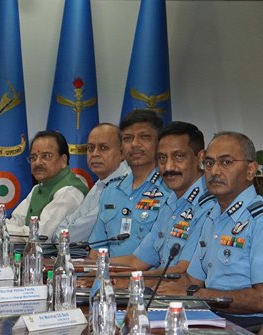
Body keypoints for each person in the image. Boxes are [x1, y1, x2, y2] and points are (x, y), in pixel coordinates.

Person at [159, 132, 263, 320]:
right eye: (209, 163)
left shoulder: (259, 220)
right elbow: (192, 279)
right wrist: (148, 288)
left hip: (249, 325)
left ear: (250, 170)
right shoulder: (212, 215)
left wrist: (197, 295)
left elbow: (261, 298)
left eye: (226, 162)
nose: (214, 171)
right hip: (210, 316)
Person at [112, 122, 213, 272]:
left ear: (200, 158)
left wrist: (125, 281)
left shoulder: (209, 205)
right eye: (162, 158)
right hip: (158, 288)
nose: (169, 167)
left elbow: (181, 272)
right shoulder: (170, 202)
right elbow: (138, 261)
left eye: (178, 156)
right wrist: (90, 268)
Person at [0, 130, 88, 238]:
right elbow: (16, 223)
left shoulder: (69, 191)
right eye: (33, 157)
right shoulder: (38, 188)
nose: (37, 162)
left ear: (63, 160)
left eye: (46, 156)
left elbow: (41, 235)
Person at [88, 109, 170, 257]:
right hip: (109, 276)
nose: (135, 144)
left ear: (160, 143)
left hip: (150, 278)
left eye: (144, 137)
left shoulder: (170, 190)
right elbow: (96, 250)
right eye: (127, 138)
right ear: (121, 147)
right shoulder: (111, 190)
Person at [55, 123, 129, 243]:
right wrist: (61, 236)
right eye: (90, 148)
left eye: (103, 148)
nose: (94, 154)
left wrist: (61, 237)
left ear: (122, 153)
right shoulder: (100, 183)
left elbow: (84, 230)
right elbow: (68, 221)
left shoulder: (124, 185)